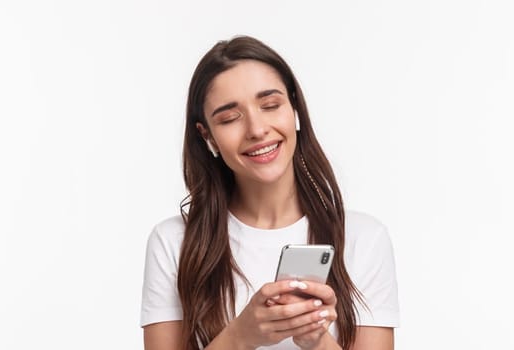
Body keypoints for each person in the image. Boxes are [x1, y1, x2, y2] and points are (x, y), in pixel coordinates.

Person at [140, 35, 399, 350]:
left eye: (270, 105)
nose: (256, 129)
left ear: (294, 108)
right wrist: (240, 336)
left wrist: (316, 341)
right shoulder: (173, 243)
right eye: (229, 118)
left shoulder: (363, 238)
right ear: (206, 135)